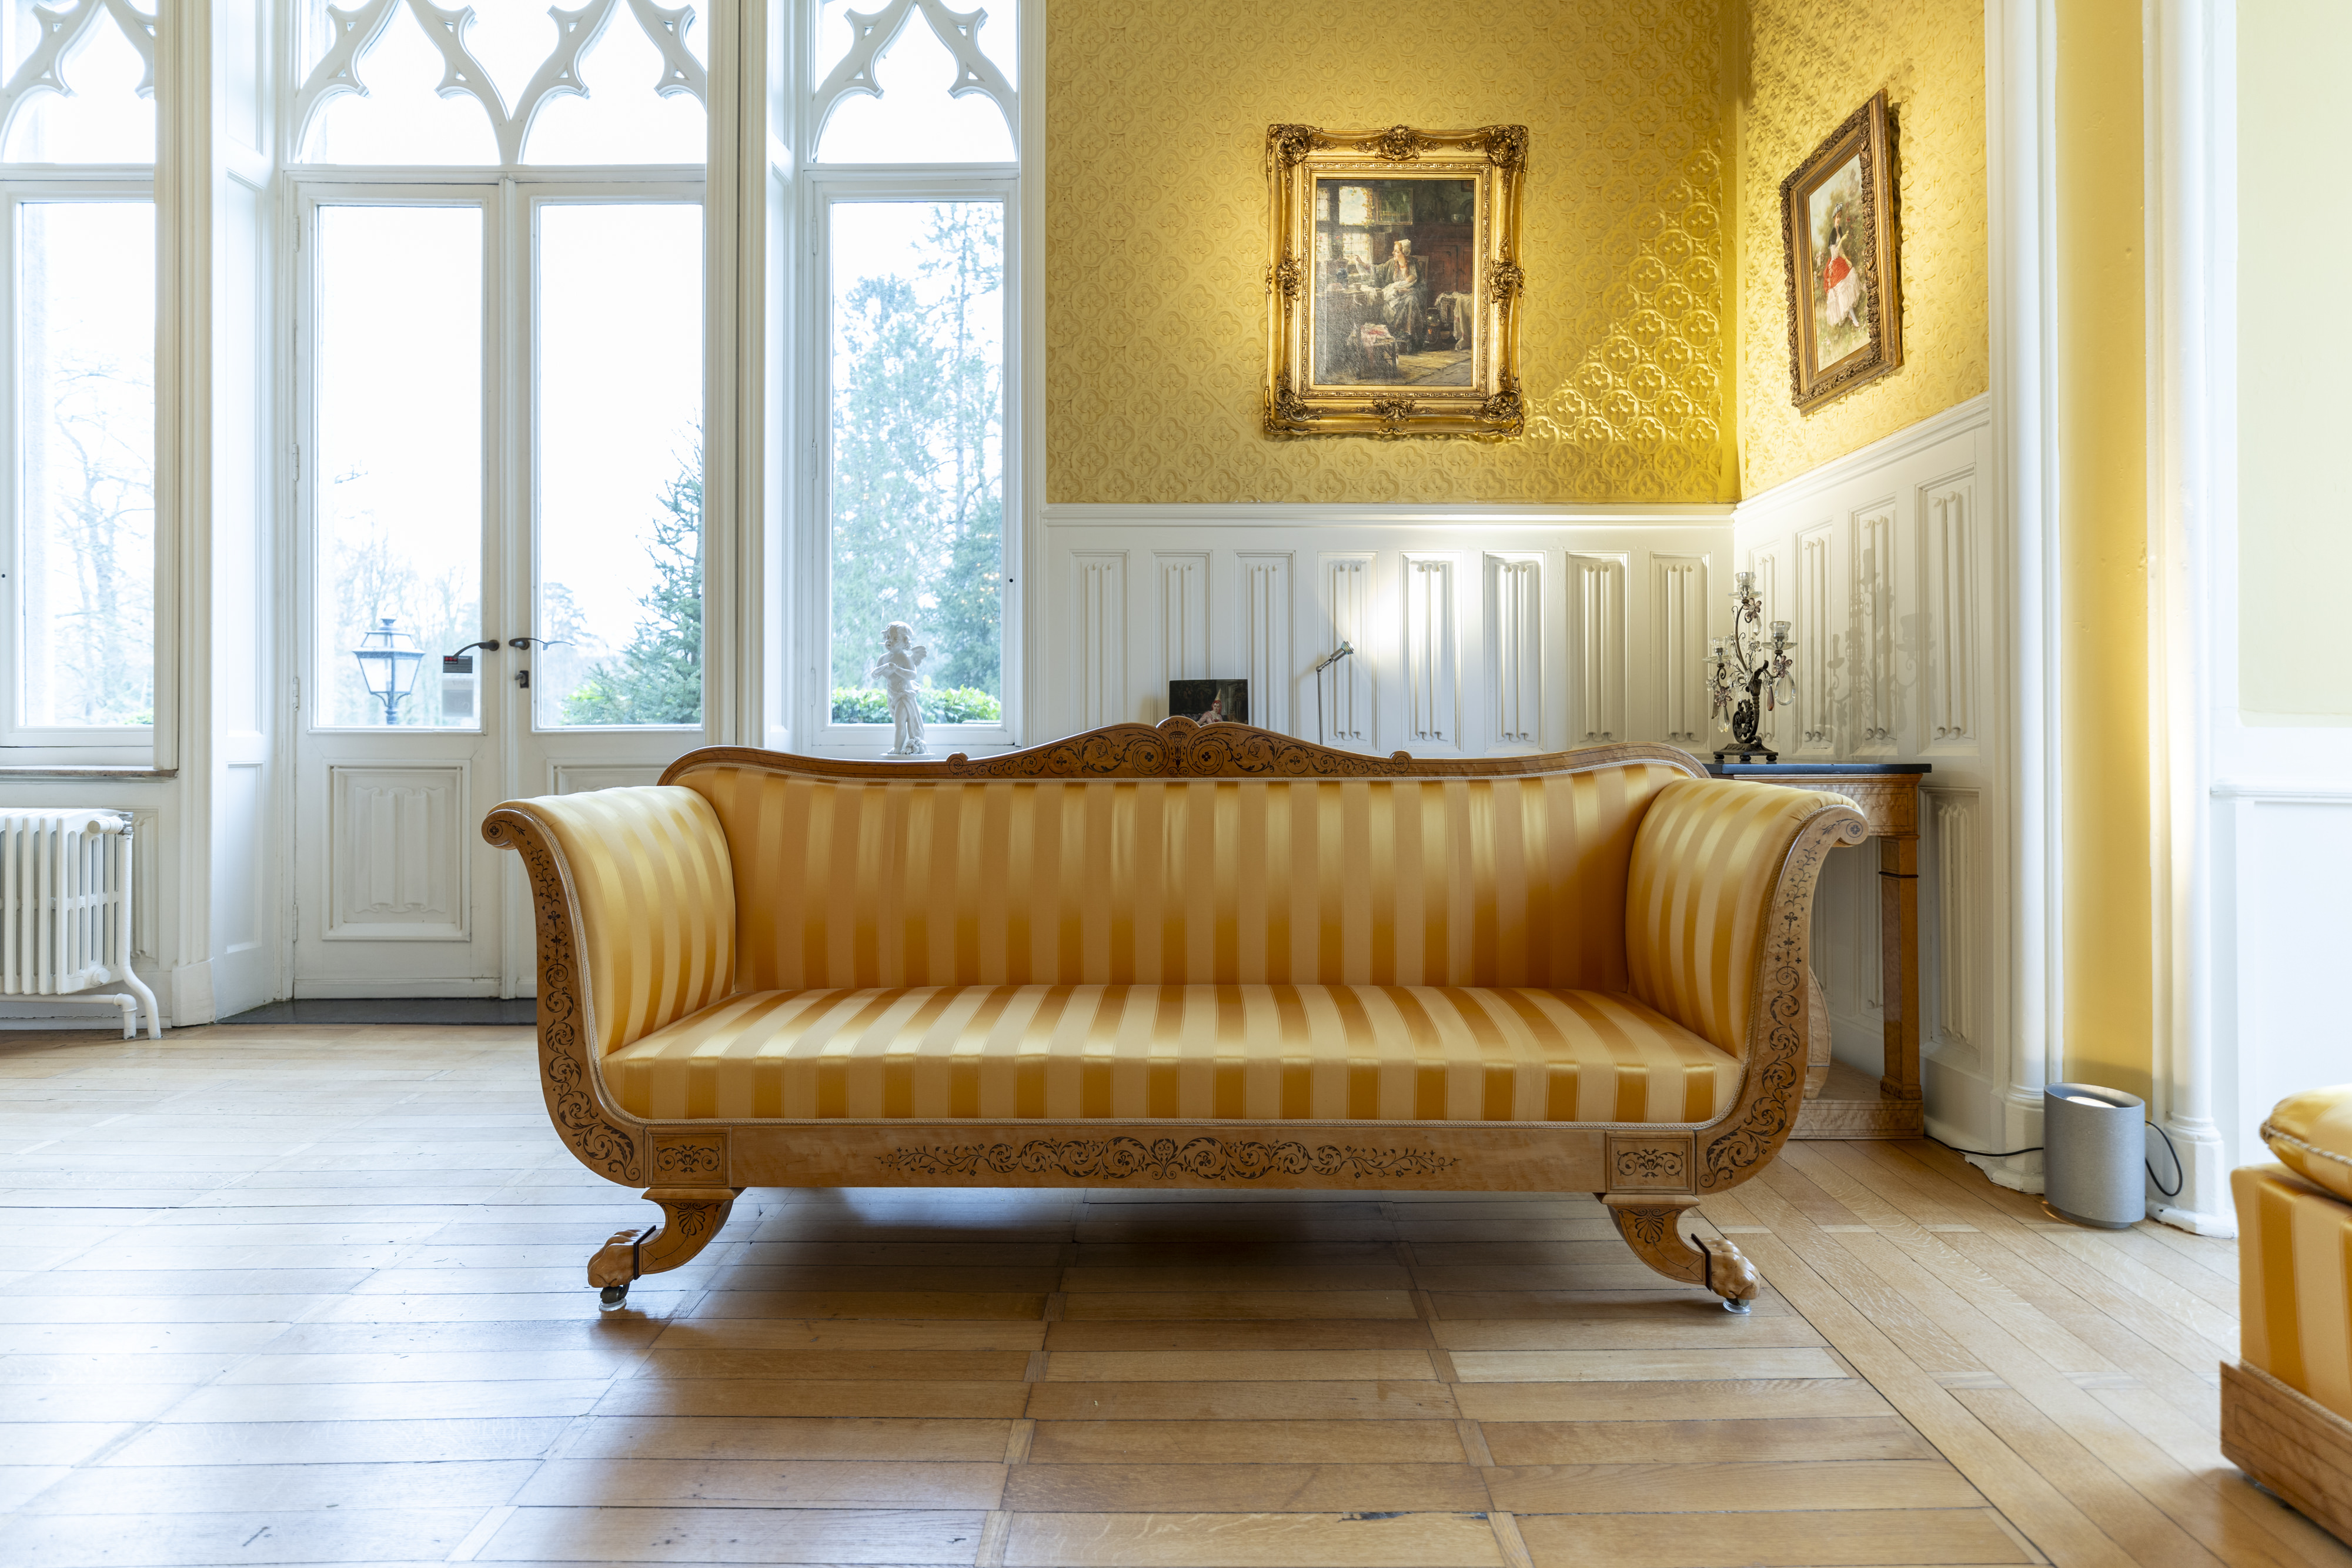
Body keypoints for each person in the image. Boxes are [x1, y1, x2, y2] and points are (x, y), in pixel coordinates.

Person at [868, 621, 928, 757]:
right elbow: (874, 675)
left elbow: (913, 675)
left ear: (905, 641)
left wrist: (896, 669)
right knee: (897, 721)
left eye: (895, 639)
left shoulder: (904, 658)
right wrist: (882, 669)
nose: (890, 641)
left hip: (904, 695)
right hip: (892, 696)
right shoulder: (883, 658)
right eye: (888, 637)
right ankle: (902, 748)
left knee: (900, 722)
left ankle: (897, 748)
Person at [1374, 238, 1430, 354]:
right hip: (1394, 295)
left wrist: (1411, 291)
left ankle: (1407, 335)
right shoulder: (1391, 264)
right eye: (1394, 251)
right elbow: (1378, 271)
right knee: (1394, 301)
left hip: (1411, 295)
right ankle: (1399, 334)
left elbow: (1423, 287)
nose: (1393, 253)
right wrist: (1364, 265)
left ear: (1405, 253)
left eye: (1397, 251)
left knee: (1411, 300)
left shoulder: (1414, 265)